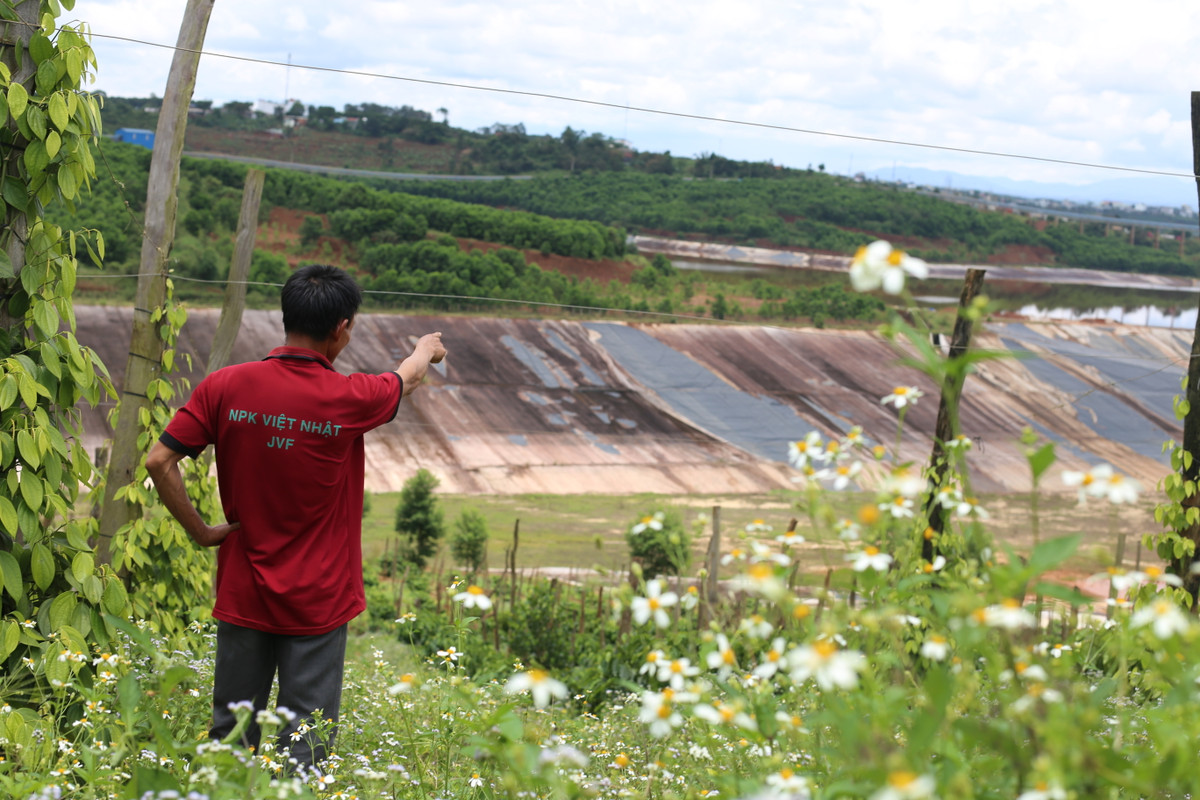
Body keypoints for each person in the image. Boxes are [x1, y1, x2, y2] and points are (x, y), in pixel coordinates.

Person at [145, 263, 446, 770]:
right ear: (341, 328)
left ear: (286, 316)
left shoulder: (225, 386)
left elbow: (159, 460)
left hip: (243, 587)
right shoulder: (349, 398)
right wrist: (426, 346)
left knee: (231, 736)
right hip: (319, 599)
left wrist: (201, 532)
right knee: (305, 745)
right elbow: (407, 378)